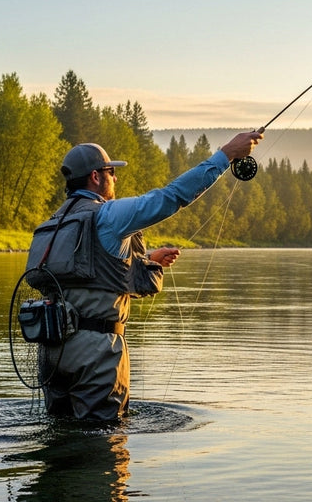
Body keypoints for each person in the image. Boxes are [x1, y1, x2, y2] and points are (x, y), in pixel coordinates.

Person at [34, 131, 262, 421]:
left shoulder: (55, 223)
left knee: (60, 432)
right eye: (111, 172)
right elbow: (171, 197)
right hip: (95, 352)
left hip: (52, 350)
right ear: (95, 176)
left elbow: (88, 275)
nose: (115, 178)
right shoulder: (108, 215)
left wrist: (146, 261)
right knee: (104, 438)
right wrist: (226, 154)